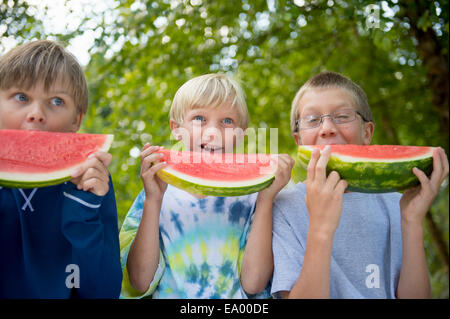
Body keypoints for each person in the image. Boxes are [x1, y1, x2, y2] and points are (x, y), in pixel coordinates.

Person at [269, 71, 449, 298]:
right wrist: (320, 228)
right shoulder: (284, 207)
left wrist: (411, 221)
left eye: (342, 116)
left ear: (367, 133)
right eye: (312, 120)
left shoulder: (397, 203)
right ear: (299, 141)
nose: (327, 128)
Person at [119, 73, 294, 298]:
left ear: (241, 133)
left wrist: (266, 199)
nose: (213, 131)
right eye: (200, 118)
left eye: (227, 121)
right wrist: (153, 200)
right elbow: (140, 280)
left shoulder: (254, 197)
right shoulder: (156, 193)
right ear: (176, 128)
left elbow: (254, 283)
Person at [0, 40, 122, 298]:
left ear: (76, 120)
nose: (36, 113)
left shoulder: (92, 181)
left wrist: (84, 212)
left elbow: (103, 292)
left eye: (56, 101)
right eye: (21, 97)